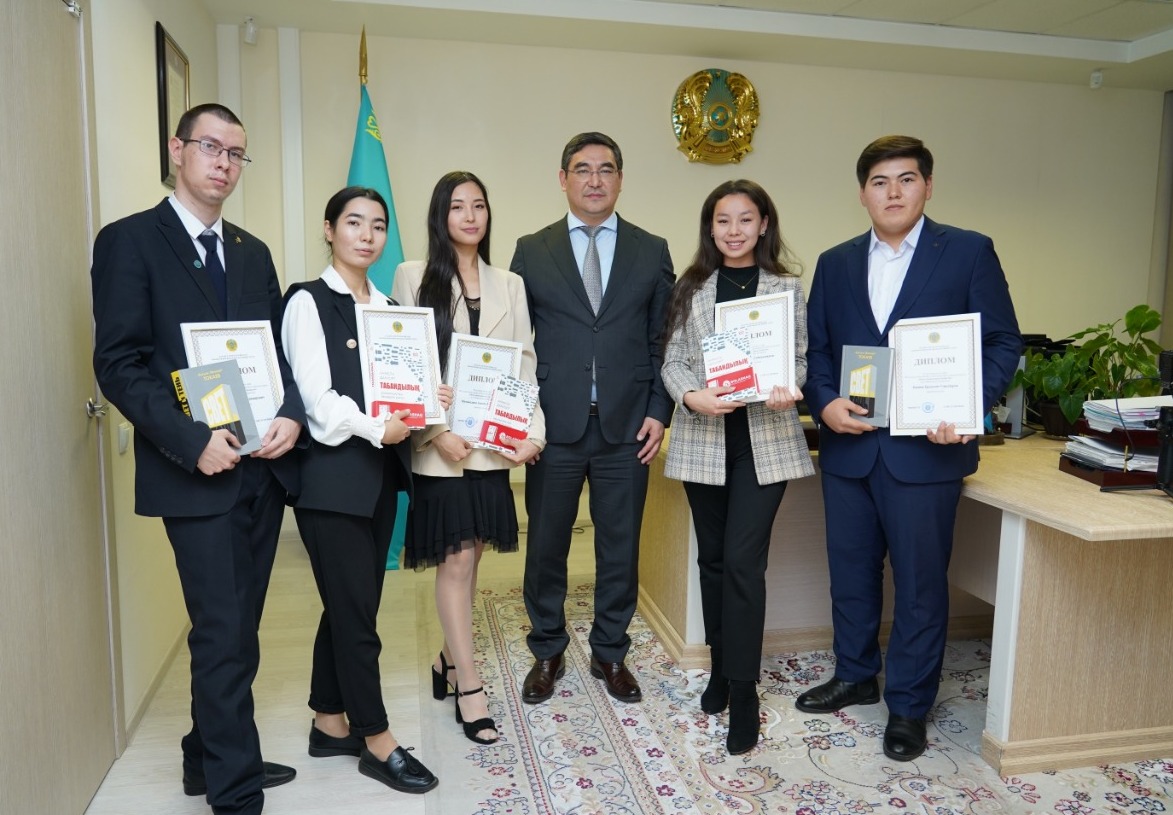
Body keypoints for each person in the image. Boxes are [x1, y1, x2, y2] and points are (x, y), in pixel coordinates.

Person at [91, 103, 304, 815]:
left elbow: (277, 355)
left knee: (237, 629)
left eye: (236, 153)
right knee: (221, 631)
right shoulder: (129, 241)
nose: (224, 163)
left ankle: (204, 756)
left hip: (259, 469)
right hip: (193, 472)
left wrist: (290, 414)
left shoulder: (251, 251)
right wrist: (191, 441)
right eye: (211, 147)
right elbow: (119, 365)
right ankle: (234, 792)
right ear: (177, 150)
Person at [800, 135, 1021, 761]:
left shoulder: (969, 252)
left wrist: (967, 406)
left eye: (906, 179)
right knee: (850, 572)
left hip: (926, 453)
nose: (892, 192)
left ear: (927, 186)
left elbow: (1002, 342)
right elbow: (818, 351)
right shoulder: (836, 262)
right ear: (862, 193)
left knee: (921, 583)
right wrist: (824, 402)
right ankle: (855, 673)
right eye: (879, 181)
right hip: (850, 449)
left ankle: (908, 706)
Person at [281, 186, 439, 794]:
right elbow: (316, 401)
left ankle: (328, 721)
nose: (367, 235)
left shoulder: (390, 307)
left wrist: (428, 399)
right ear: (329, 229)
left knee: (352, 606)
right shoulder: (307, 301)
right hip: (331, 483)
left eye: (377, 224)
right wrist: (379, 427)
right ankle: (376, 739)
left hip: (378, 481)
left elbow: (400, 390)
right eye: (353, 222)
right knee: (356, 616)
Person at [510, 132, 675, 705]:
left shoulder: (651, 249)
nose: (595, 180)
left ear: (620, 180)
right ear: (563, 179)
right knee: (545, 546)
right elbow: (516, 343)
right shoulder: (532, 249)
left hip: (627, 428)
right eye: (582, 169)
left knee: (620, 548)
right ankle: (547, 650)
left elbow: (663, 339)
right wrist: (520, 419)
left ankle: (610, 652)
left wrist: (659, 410)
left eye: (606, 169)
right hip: (553, 427)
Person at [661, 179, 815, 754]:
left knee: (744, 564)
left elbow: (799, 358)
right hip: (705, 439)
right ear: (710, 227)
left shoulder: (786, 289)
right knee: (714, 562)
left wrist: (788, 386)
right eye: (722, 220)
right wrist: (690, 395)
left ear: (764, 224)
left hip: (764, 442)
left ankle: (745, 691)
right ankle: (721, 670)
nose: (734, 230)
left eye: (745, 219)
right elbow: (673, 360)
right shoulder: (691, 286)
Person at [392, 171, 544, 743]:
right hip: (443, 449)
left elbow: (525, 362)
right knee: (456, 562)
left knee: (473, 558)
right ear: (441, 216)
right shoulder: (413, 275)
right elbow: (404, 362)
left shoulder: (511, 283)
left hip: (491, 445)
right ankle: (471, 688)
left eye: (479, 205)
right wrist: (433, 432)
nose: (470, 216)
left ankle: (447, 660)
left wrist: (534, 433)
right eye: (458, 207)